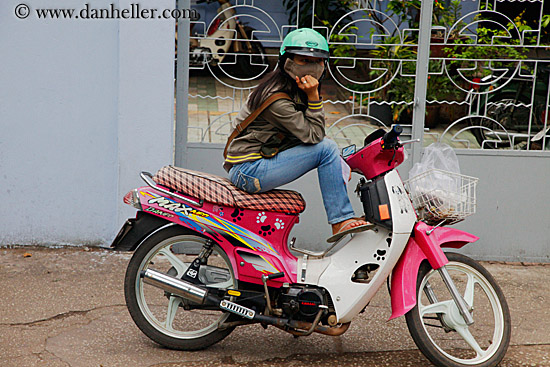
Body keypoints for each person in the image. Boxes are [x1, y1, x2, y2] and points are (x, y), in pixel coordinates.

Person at [223, 28, 370, 242]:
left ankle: (342, 218)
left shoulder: (289, 88)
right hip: (249, 171)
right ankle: (340, 221)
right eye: (304, 59)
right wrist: (314, 95)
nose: (313, 66)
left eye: (318, 60)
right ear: (288, 62)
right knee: (327, 149)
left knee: (329, 150)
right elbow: (314, 136)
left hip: (258, 164)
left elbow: (308, 136)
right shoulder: (277, 100)